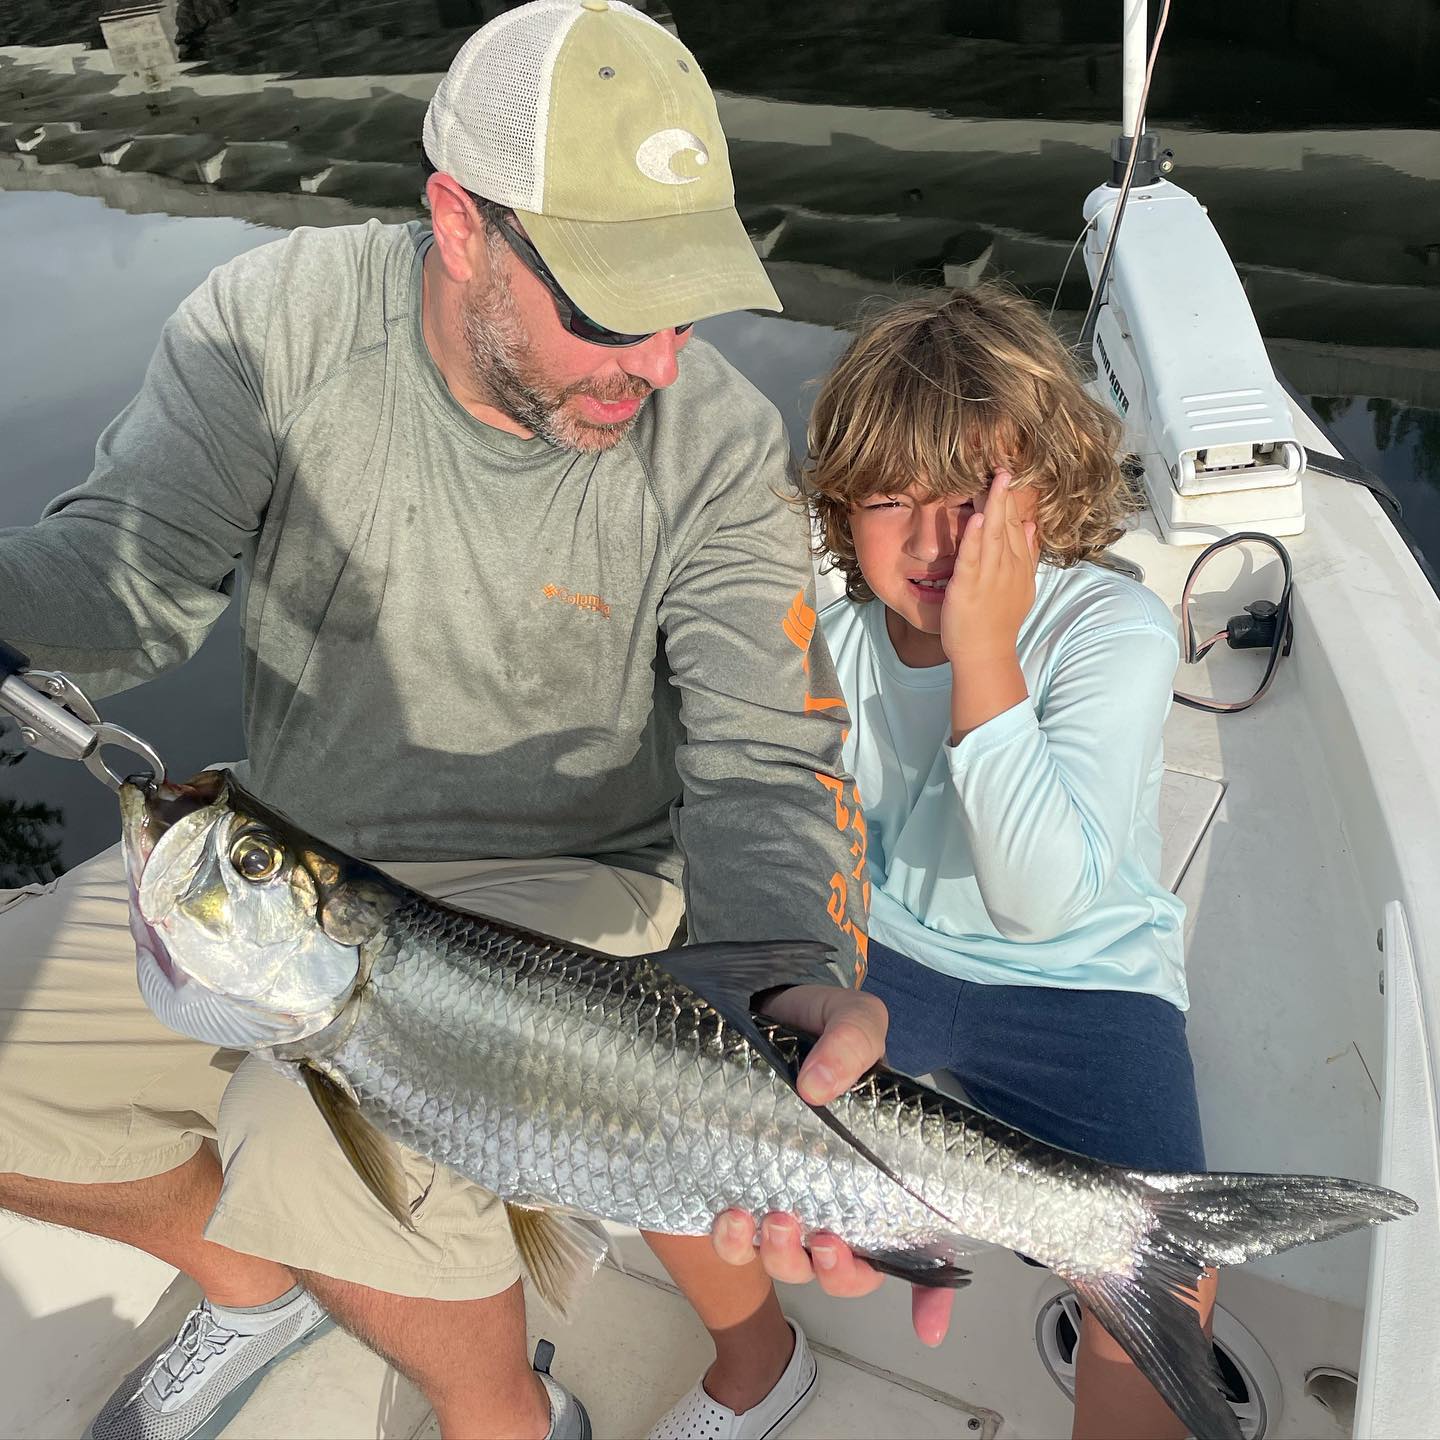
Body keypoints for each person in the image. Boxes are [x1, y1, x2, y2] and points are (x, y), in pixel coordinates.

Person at [0, 5, 892, 1438]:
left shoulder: (717, 447)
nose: (659, 362)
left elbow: (767, 756)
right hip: (283, 869)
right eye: (610, 305)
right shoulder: (271, 327)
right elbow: (128, 586)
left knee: (307, 1145)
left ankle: (503, 1421)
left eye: (683, 302)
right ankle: (245, 1281)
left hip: (579, 888)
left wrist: (789, 968)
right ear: (460, 224)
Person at [771, 284, 1212, 1440]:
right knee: (673, 1105)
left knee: (1159, 1265)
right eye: (889, 501)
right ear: (837, 508)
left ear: (1044, 496)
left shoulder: (1108, 632)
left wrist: (981, 652)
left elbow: (1038, 902)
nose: (931, 543)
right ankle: (754, 1361)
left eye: (971, 501)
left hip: (1081, 978)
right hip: (877, 955)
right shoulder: (823, 618)